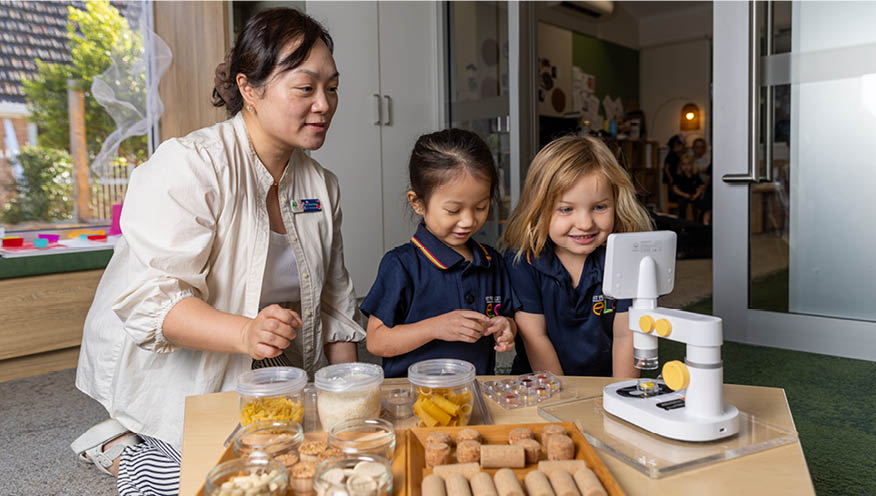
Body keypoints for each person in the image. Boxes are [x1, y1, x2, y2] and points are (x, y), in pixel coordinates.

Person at [70, 8, 364, 495]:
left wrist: (346, 397)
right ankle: (122, 448)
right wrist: (246, 332)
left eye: (331, 87)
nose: (324, 104)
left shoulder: (321, 186)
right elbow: (154, 304)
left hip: (258, 347)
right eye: (305, 88)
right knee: (232, 480)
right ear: (249, 88)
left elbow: (335, 302)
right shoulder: (190, 165)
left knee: (311, 459)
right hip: (176, 352)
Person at [360, 129, 517, 378]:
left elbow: (508, 317)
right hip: (412, 394)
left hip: (471, 390)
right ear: (417, 203)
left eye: (480, 207)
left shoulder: (491, 262)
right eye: (453, 210)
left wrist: (507, 327)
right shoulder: (401, 265)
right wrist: (435, 327)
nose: (468, 220)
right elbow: (376, 341)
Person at [501, 136, 653, 377]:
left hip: (606, 381)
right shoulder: (522, 261)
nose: (585, 224)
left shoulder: (626, 257)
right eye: (566, 209)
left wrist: (619, 393)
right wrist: (562, 396)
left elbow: (627, 334)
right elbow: (535, 337)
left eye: (599, 207)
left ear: (616, 203)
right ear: (539, 209)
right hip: (542, 385)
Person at [672, 153, 707, 221]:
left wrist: (696, 195)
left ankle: (697, 221)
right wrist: (685, 195)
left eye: (688, 164)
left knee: (700, 203)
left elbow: (700, 187)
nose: (686, 166)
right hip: (682, 196)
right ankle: (682, 221)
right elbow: (675, 189)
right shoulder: (679, 176)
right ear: (680, 166)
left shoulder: (695, 176)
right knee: (682, 203)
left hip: (693, 196)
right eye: (683, 164)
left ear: (692, 165)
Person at [662, 134, 684, 204]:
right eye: (681, 145)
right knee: (672, 196)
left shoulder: (675, 155)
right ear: (676, 145)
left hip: (673, 179)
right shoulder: (671, 155)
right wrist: (671, 179)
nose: (682, 147)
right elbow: (666, 168)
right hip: (670, 180)